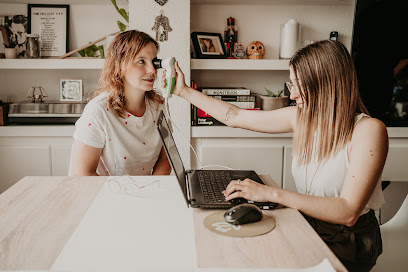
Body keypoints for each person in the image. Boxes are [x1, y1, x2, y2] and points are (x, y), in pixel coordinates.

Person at [164, 40, 388, 272]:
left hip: (349, 243)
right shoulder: (301, 117)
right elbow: (237, 117)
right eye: (290, 84)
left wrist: (270, 193)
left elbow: (348, 211)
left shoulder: (369, 130)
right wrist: (183, 91)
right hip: (308, 224)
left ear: (325, 85)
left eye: (299, 85)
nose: (292, 95)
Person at [70, 30, 171, 176]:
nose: (152, 70)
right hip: (104, 195)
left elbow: (165, 158)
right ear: (120, 65)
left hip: (144, 194)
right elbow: (83, 174)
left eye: (154, 62)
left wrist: (150, 192)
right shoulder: (98, 111)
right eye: (141, 61)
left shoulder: (158, 106)